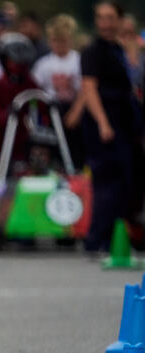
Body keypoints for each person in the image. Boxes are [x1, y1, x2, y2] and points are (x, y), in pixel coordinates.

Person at [79, 1, 142, 254]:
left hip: (124, 122)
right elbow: (89, 88)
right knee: (107, 184)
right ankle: (97, 240)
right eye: (101, 18)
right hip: (103, 122)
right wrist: (103, 122)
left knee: (126, 182)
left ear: (119, 20)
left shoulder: (119, 49)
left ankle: (117, 237)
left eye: (110, 18)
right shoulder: (93, 51)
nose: (105, 23)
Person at [31, 14, 84, 169]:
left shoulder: (78, 61)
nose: (59, 45)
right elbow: (36, 90)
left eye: (63, 41)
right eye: (55, 41)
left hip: (73, 112)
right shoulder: (43, 64)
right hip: (51, 113)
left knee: (75, 151)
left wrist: (76, 112)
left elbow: (84, 89)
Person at [0, 33, 39, 174]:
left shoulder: (30, 84)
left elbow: (41, 108)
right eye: (13, 61)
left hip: (23, 141)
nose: (17, 66)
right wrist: (9, 113)